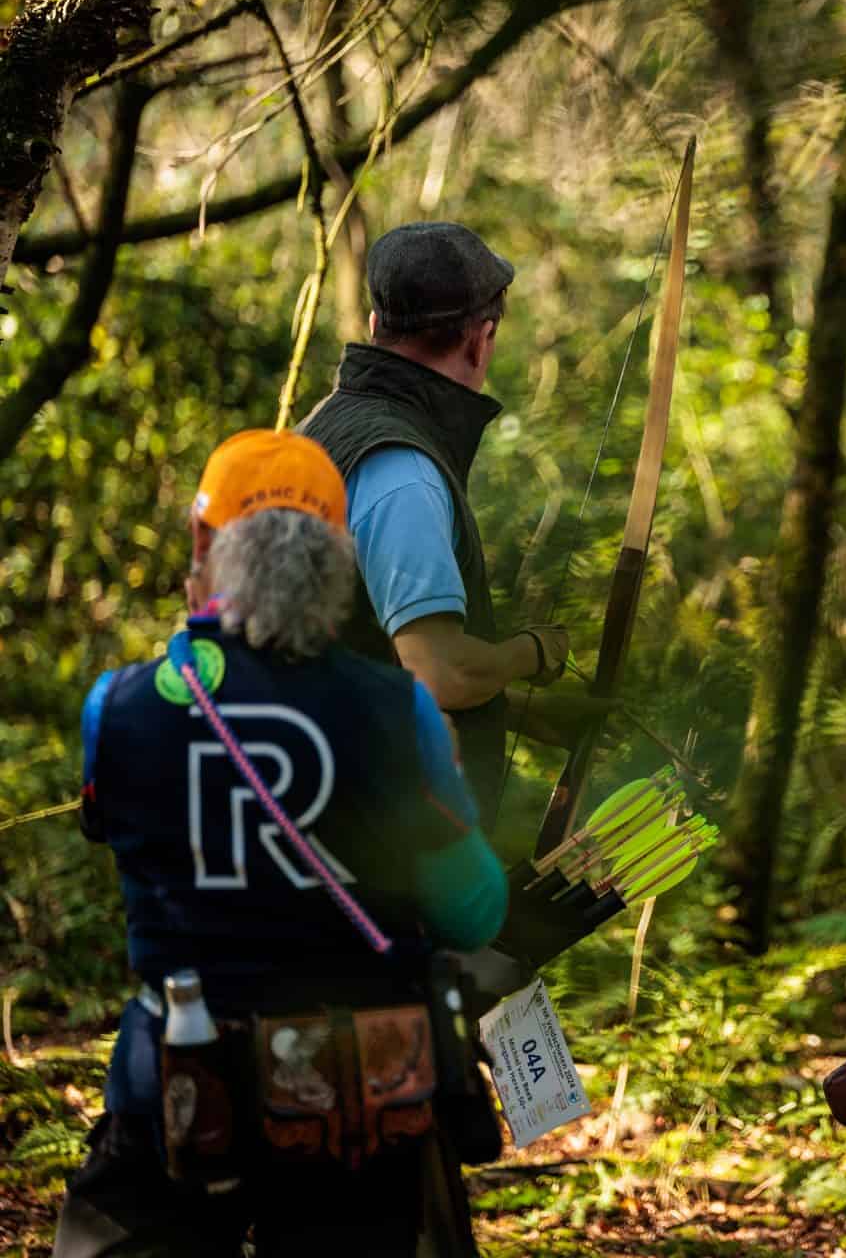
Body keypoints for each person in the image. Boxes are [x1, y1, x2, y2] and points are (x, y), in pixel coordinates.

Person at [53, 430, 509, 1257]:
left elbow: (111, 827)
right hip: (359, 1103)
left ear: (203, 543)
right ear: (341, 557)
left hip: (179, 1092)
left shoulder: (117, 707)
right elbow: (474, 910)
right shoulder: (397, 708)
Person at [298, 221, 585, 821]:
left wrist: (515, 708)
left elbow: (354, 648)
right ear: (480, 341)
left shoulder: (326, 422)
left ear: (376, 328)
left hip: (314, 804)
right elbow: (440, 672)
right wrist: (532, 654)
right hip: (373, 843)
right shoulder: (400, 468)